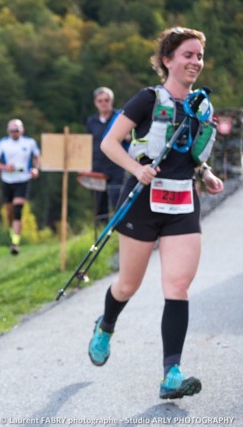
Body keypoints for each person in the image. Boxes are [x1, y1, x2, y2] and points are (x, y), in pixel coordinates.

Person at [87, 27, 223, 400]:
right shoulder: (147, 100)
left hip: (182, 204)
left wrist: (206, 173)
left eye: (199, 55)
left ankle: (171, 374)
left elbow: (194, 155)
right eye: (188, 55)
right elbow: (110, 143)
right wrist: (135, 169)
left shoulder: (201, 106)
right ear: (167, 60)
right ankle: (106, 324)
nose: (195, 61)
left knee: (177, 287)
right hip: (143, 201)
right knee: (128, 284)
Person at [0, 118, 41, 255]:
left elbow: (37, 158)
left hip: (23, 178)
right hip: (7, 179)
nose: (14, 133)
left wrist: (36, 169)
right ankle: (12, 234)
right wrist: (5, 167)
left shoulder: (29, 143)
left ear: (22, 130)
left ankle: (15, 242)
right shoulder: (3, 144)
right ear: (8, 131)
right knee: (9, 211)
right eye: (12, 130)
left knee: (17, 210)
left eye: (17, 130)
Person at [85, 87, 126, 222]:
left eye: (106, 100)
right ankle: (101, 236)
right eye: (100, 101)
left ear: (111, 101)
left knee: (117, 201)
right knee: (99, 205)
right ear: (96, 103)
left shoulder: (120, 118)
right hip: (97, 168)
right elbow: (87, 143)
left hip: (116, 166)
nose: (103, 103)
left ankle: (120, 233)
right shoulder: (91, 121)